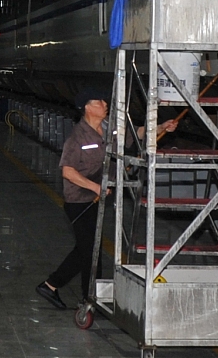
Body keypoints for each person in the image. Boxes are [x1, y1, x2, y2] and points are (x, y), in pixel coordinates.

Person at [34, 93, 177, 309]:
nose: (104, 104)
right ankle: (79, 294)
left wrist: (161, 128)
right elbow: (68, 172)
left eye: (104, 101)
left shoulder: (110, 127)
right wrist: (95, 187)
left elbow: (137, 133)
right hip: (78, 201)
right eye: (98, 102)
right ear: (87, 108)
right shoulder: (77, 137)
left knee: (89, 248)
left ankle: (69, 290)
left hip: (96, 199)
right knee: (89, 249)